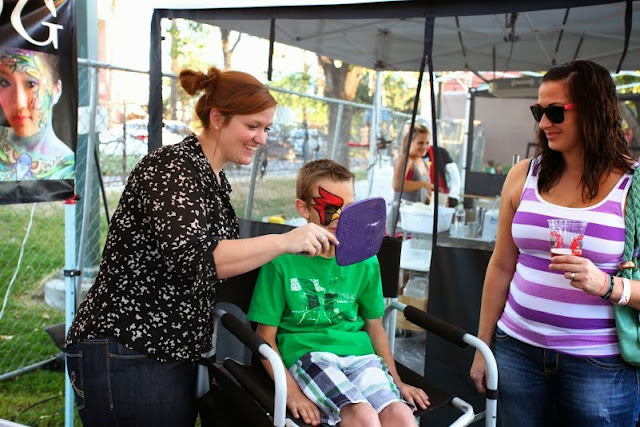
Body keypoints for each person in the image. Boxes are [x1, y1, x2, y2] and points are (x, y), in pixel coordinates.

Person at [64, 66, 339, 426]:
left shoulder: (212, 178)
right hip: (129, 347)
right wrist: (284, 241)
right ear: (217, 118)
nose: (262, 138)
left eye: (267, 128)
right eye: (252, 126)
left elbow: (223, 263)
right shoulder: (172, 168)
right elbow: (196, 260)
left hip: (171, 349)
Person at [469, 59, 640, 426]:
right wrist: (484, 348)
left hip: (599, 364)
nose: (544, 122)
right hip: (516, 350)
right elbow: (501, 265)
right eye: (539, 111)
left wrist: (607, 285)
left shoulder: (633, 186)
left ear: (594, 111)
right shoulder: (524, 174)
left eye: (555, 111)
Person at [247, 159, 430, 426]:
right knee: (364, 417)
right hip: (308, 354)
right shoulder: (281, 261)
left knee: (401, 416)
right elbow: (265, 338)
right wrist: (293, 395)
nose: (341, 218)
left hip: (360, 355)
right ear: (303, 209)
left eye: (349, 208)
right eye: (330, 208)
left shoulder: (365, 259)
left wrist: (397, 381)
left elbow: (375, 327)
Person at [0, 47, 73, 181]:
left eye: (31, 84)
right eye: (4, 83)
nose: (19, 103)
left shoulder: (67, 167)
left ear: (56, 90)